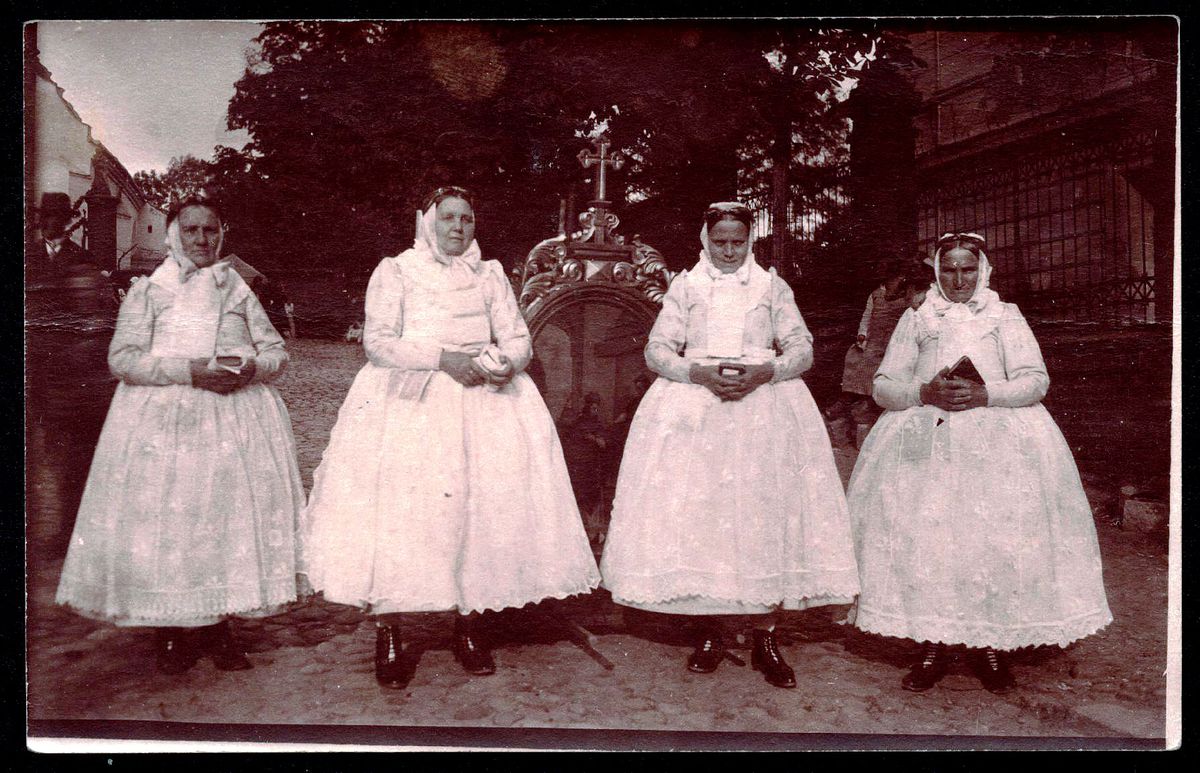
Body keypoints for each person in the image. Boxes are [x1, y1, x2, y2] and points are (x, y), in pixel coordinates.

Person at [303, 186, 601, 689]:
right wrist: (444, 359)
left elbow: (518, 337)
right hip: (411, 400)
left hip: (485, 400)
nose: (458, 228)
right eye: (448, 219)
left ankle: (469, 623)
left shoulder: (490, 275)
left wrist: (505, 361)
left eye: (466, 218)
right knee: (405, 514)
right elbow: (378, 344)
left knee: (478, 513)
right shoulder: (396, 270)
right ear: (428, 222)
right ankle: (391, 628)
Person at [600, 202, 860, 689]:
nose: (727, 251)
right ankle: (711, 630)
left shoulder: (771, 286)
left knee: (762, 516)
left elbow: (802, 347)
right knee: (707, 518)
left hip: (764, 410)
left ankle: (765, 634)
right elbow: (657, 350)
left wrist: (769, 370)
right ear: (706, 238)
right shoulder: (687, 285)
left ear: (749, 242)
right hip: (698, 410)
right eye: (719, 241)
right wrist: (695, 371)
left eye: (737, 242)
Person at [845, 232, 1112, 694]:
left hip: (998, 443)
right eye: (949, 269)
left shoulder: (1004, 316)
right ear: (936, 271)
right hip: (927, 441)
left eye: (968, 269)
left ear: (983, 270)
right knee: (929, 540)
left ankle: (989, 646)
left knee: (990, 542)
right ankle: (933, 645)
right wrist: (922, 392)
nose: (959, 279)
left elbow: (1035, 380)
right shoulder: (919, 317)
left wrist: (988, 393)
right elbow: (884, 384)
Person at [54, 198, 308, 674]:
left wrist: (251, 368)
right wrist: (187, 371)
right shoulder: (149, 292)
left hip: (233, 422)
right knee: (173, 525)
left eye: (210, 230)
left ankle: (219, 628)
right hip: (166, 423)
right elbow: (123, 360)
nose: (201, 240)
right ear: (174, 234)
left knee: (222, 522)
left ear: (221, 233)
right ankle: (171, 629)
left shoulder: (237, 288)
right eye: (190, 230)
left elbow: (276, 350)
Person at [25, 192, 117, 555]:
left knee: (71, 457)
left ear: (68, 219)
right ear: (40, 219)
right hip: (36, 364)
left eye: (58, 216)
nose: (52, 222)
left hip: (71, 370)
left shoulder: (82, 258)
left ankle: (68, 533)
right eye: (46, 216)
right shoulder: (27, 255)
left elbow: (94, 309)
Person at [825, 261, 915, 444]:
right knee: (858, 364)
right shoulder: (875, 295)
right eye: (893, 278)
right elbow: (867, 317)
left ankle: (847, 404)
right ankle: (845, 402)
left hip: (893, 343)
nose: (897, 281)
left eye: (899, 278)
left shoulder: (907, 297)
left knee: (876, 371)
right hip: (874, 342)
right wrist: (862, 334)